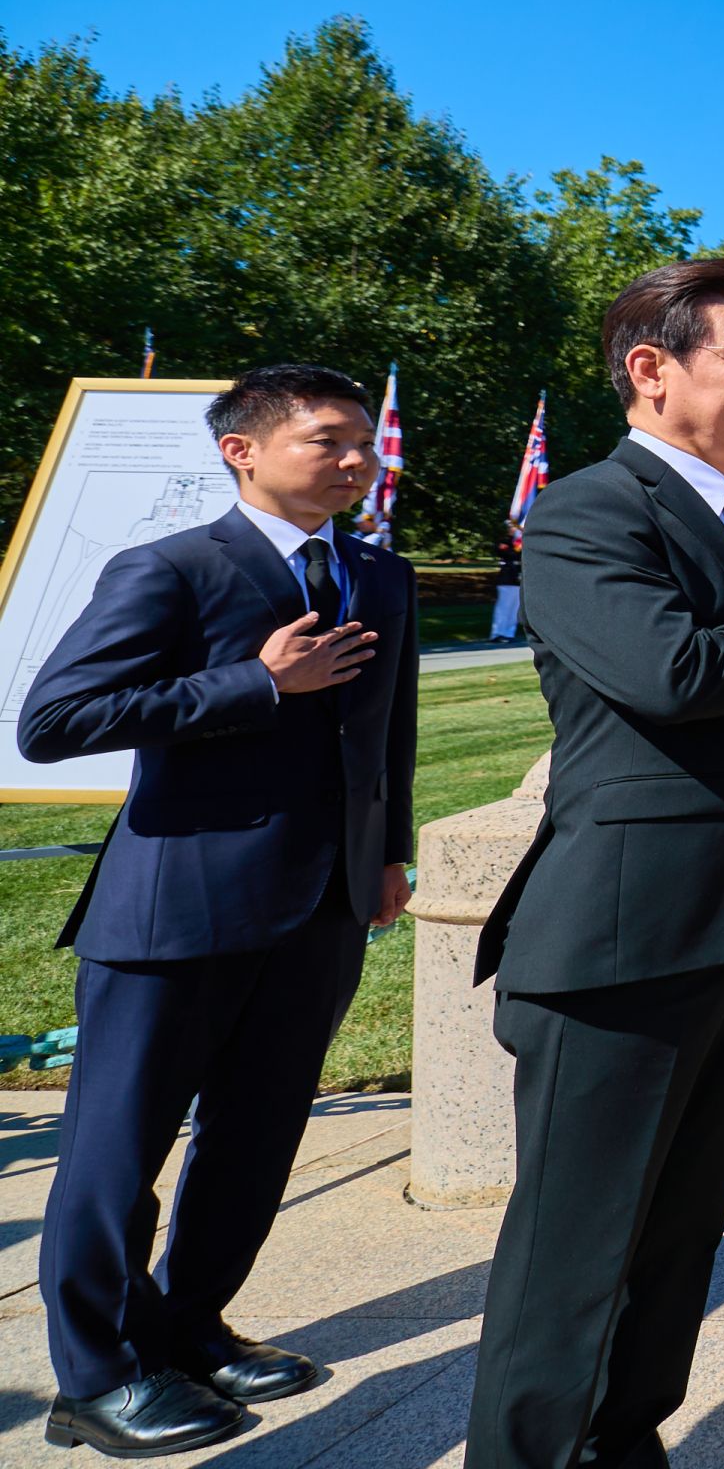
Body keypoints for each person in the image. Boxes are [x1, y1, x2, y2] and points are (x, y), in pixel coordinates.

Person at [466, 259, 724, 1469]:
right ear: (652, 369)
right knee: (574, 1251)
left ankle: (623, 1436)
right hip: (622, 941)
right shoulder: (590, 509)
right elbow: (666, 672)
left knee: (682, 1228)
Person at [19, 365, 416, 1459]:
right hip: (175, 911)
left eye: (363, 442)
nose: (355, 460)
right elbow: (56, 719)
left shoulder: (378, 574)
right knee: (118, 1153)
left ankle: (190, 1328)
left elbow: (388, 729)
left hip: (322, 906)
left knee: (255, 1138)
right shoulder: (172, 567)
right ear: (241, 448)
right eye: (327, 439)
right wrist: (258, 682)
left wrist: (387, 854)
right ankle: (96, 1377)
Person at [488, 531, 524, 643]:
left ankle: (508, 633)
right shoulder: (506, 541)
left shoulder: (522, 542)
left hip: (518, 579)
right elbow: (505, 552)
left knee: (515, 609)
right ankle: (497, 633)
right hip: (506, 579)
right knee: (503, 608)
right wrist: (515, 542)